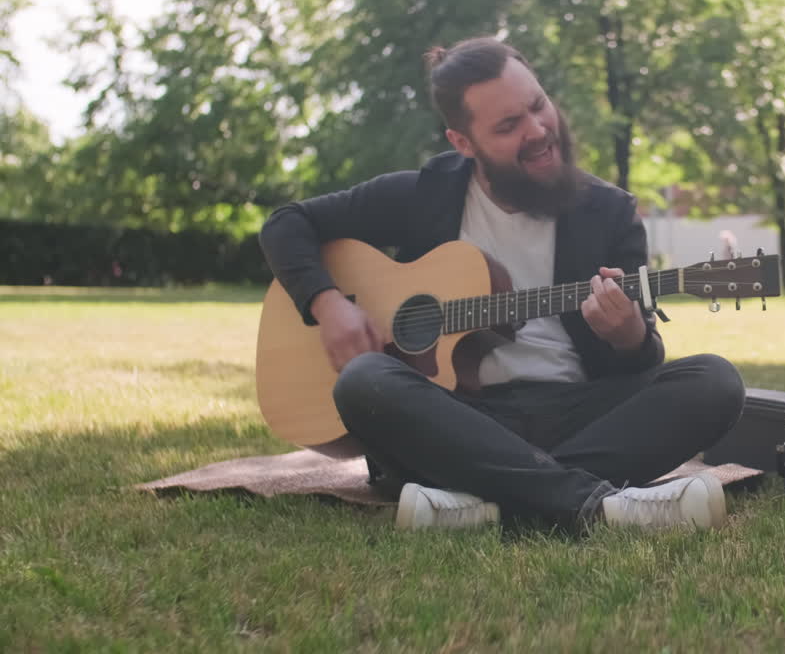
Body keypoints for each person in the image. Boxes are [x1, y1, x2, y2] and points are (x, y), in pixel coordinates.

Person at [258, 36, 745, 533]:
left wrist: (628, 336)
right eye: (509, 126)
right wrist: (328, 303)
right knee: (363, 380)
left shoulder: (609, 212)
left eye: (538, 106)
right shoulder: (425, 195)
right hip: (452, 417)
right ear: (463, 143)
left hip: (576, 411)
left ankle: (479, 497)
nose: (538, 131)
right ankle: (594, 505)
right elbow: (287, 224)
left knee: (714, 382)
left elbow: (639, 362)